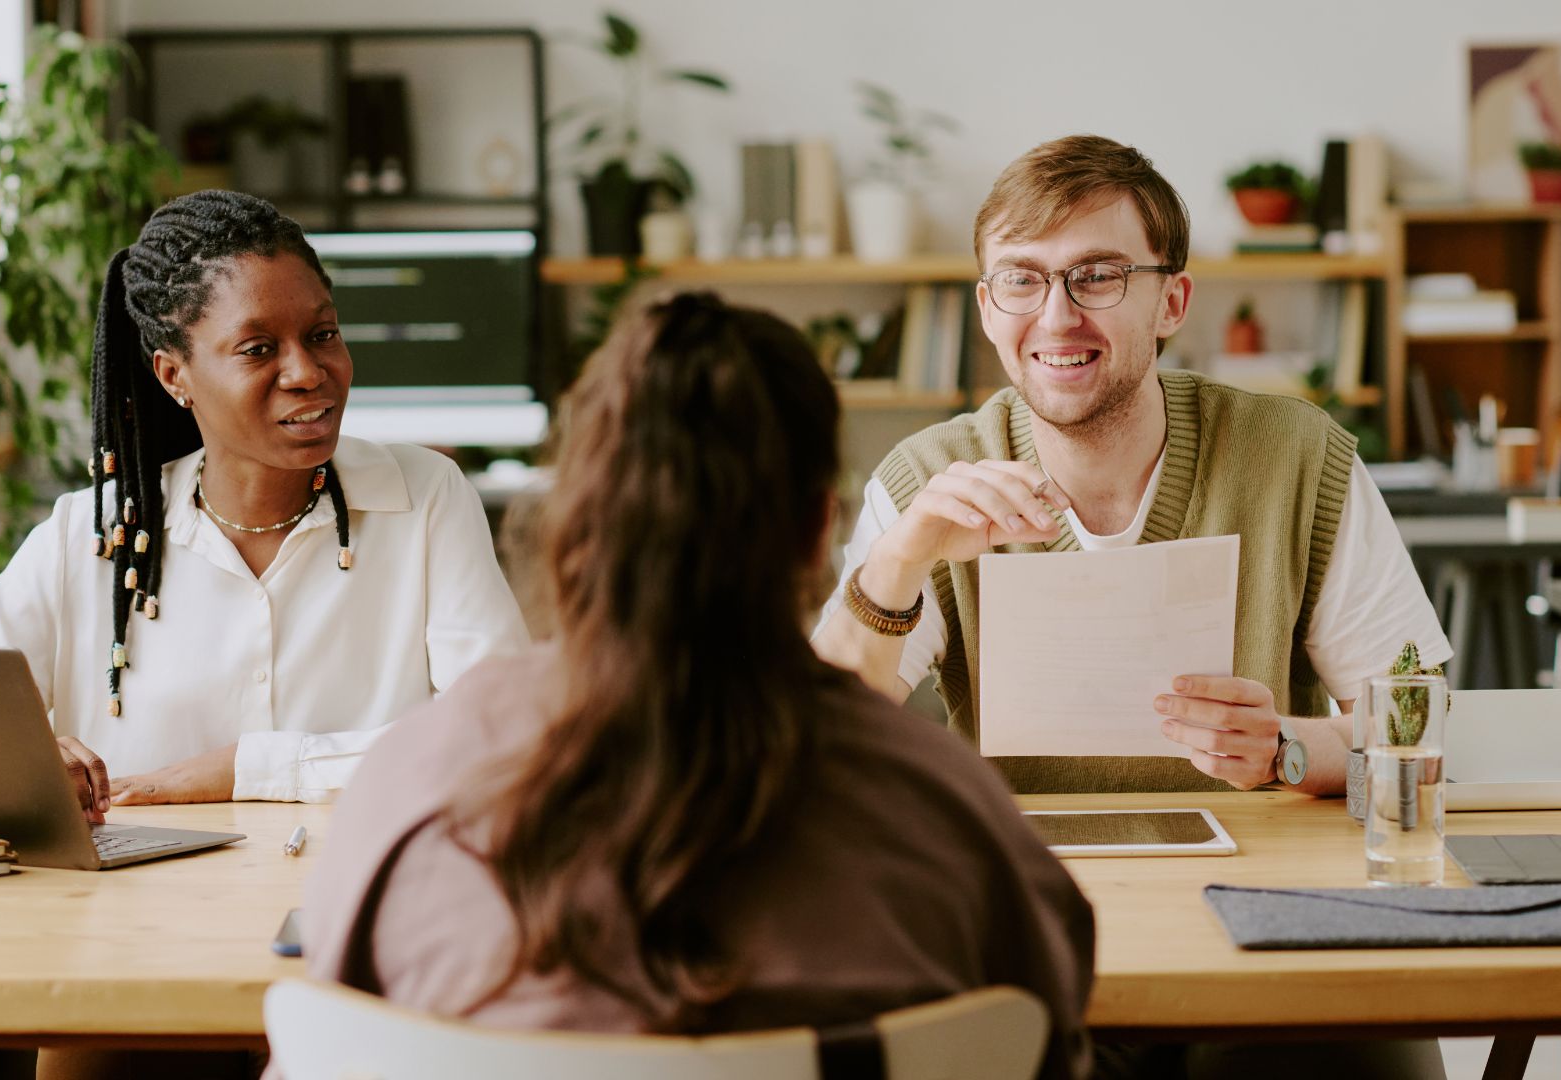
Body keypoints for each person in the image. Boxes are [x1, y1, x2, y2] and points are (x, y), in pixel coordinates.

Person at [295, 294, 1097, 1080]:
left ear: (575, 514)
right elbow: (1046, 1033)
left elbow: (329, 1033)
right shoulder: (946, 805)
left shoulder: (413, 784)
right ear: (821, 526)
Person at [813, 135, 1452, 798]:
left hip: (1249, 878)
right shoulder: (927, 481)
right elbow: (819, 745)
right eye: (1021, 280)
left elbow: (1420, 724)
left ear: (1171, 303)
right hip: (1022, 880)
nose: (1057, 318)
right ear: (986, 309)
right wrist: (898, 564)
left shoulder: (1298, 458)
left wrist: (1285, 748)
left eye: (1097, 276)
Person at [0, 190, 528, 814]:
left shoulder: (427, 499)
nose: (307, 371)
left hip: (352, 903)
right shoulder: (85, 538)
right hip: (137, 912)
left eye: (323, 333)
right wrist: (22, 757)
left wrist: (249, 768)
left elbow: (505, 735)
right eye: (258, 349)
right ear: (174, 376)